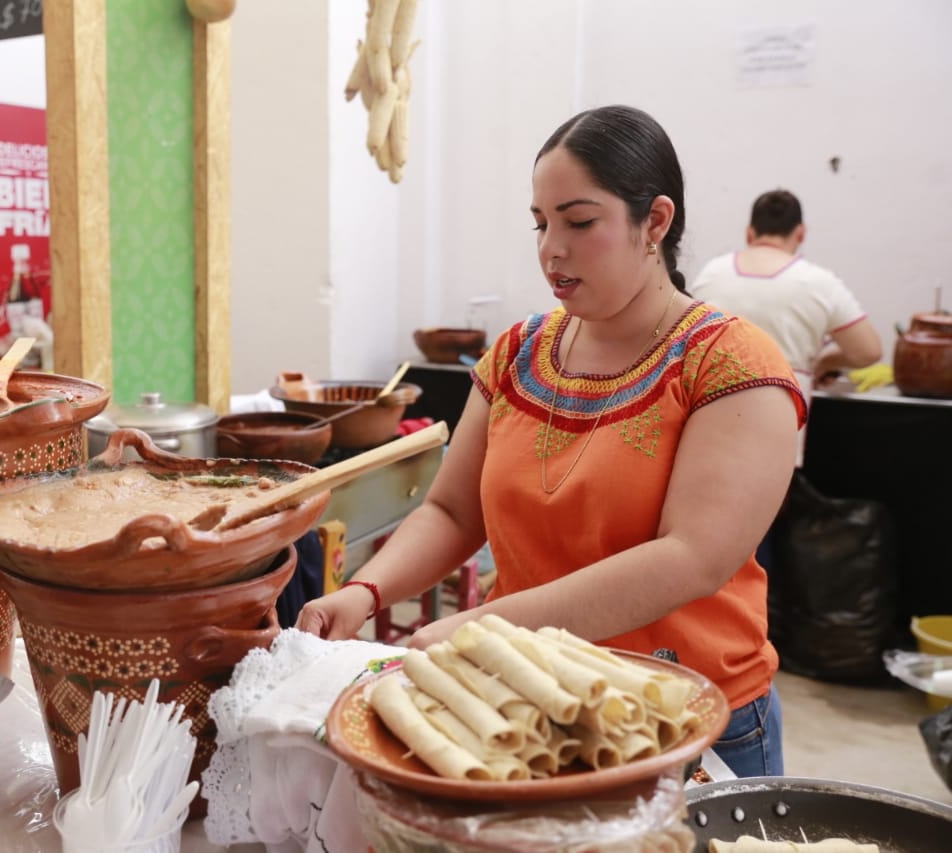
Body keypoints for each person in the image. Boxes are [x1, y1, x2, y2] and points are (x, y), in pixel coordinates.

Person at [296, 105, 806, 778]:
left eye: (579, 221)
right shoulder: (519, 354)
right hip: (531, 705)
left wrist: (489, 628)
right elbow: (452, 513)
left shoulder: (731, 366)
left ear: (655, 221)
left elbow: (691, 558)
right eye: (540, 223)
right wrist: (365, 592)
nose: (550, 248)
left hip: (685, 719)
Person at [691, 189, 882, 400]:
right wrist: (822, 364)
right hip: (785, 404)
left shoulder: (713, 273)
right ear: (801, 233)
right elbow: (868, 351)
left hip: (713, 398)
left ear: (749, 233)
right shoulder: (818, 282)